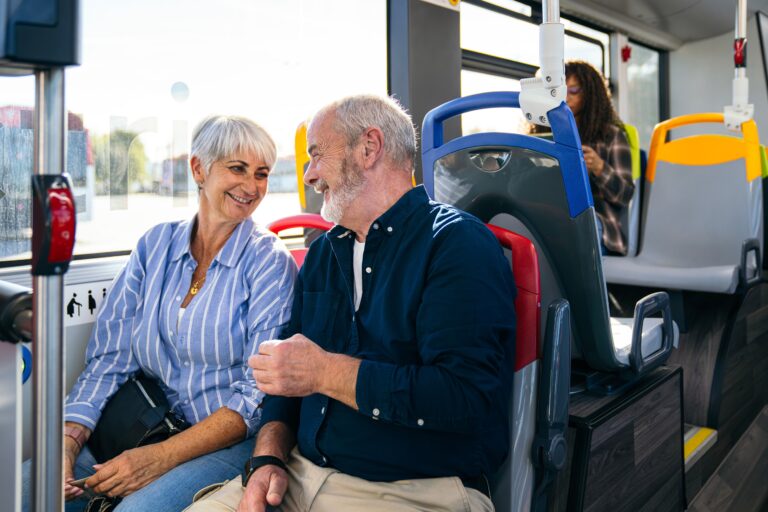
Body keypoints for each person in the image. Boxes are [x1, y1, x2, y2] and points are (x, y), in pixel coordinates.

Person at [187, 95, 517, 512]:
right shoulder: (325, 253)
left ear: (369, 148)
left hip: (411, 489)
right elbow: (286, 385)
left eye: (317, 155)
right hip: (298, 476)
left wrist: (324, 372)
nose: (309, 176)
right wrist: (267, 458)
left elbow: (463, 398)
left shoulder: (455, 245)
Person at [22, 115, 297, 512]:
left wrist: (161, 458)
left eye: (262, 174)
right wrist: (67, 441)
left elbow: (256, 398)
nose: (251, 187)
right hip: (143, 427)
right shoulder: (155, 246)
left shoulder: (268, 262)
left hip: (225, 443)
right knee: (28, 485)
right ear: (199, 168)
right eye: (237, 168)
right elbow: (110, 359)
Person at [535, 60, 635, 255]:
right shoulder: (543, 136)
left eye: (574, 91)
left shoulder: (611, 136)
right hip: (551, 215)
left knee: (575, 228)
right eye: (561, 91)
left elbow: (625, 196)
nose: (566, 98)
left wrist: (600, 168)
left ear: (591, 95)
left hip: (598, 224)